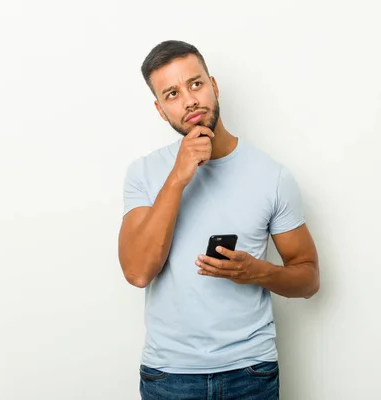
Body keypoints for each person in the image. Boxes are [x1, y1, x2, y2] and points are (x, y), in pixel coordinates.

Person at [118, 40, 320, 400]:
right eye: (172, 93)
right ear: (160, 110)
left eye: (195, 84)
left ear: (214, 86)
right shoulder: (145, 174)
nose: (190, 100)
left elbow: (309, 279)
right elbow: (137, 272)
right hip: (170, 376)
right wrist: (179, 175)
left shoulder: (271, 176)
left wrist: (258, 272)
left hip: (251, 372)